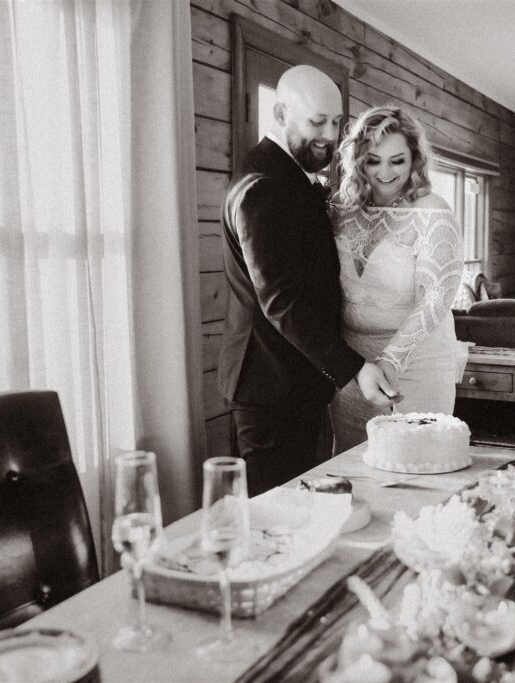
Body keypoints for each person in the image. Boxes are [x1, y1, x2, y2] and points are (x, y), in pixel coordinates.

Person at [218, 65, 396, 496]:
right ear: (279, 114)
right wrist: (353, 367)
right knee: (271, 520)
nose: (330, 135)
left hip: (294, 385)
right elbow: (281, 301)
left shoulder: (289, 178)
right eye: (317, 121)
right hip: (269, 390)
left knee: (297, 514)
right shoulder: (263, 186)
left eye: (336, 123)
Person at [330, 106, 468, 453]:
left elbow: (436, 299)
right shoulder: (340, 210)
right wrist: (353, 366)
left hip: (417, 362)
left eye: (398, 160)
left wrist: (391, 361)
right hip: (353, 367)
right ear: (358, 160)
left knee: (415, 465)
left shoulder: (431, 211)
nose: (385, 172)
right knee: (352, 469)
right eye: (373, 160)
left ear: (415, 160)